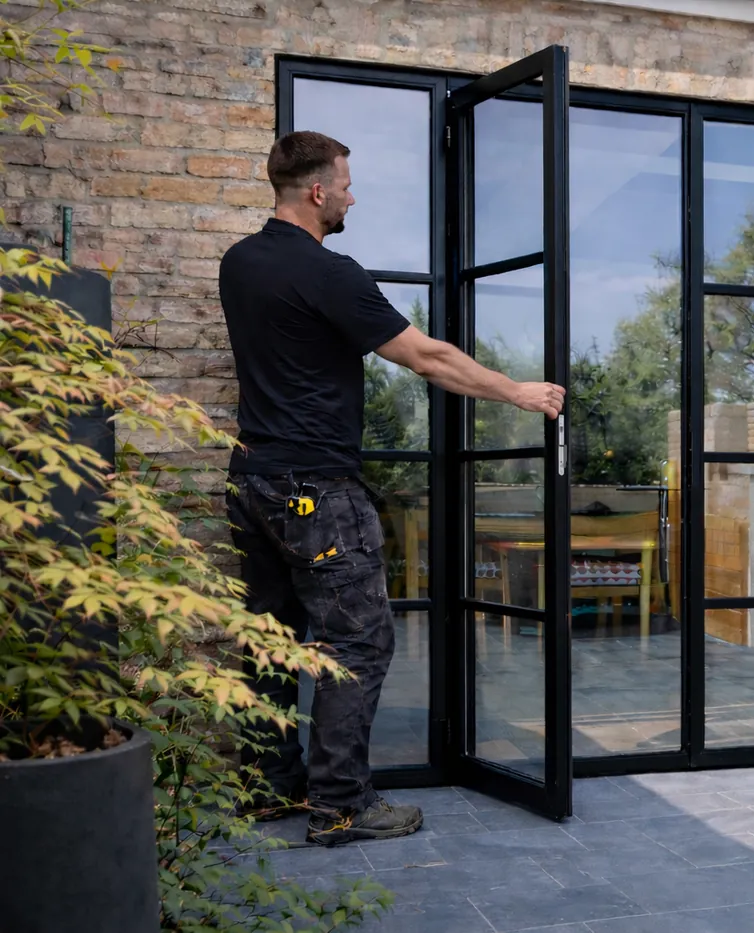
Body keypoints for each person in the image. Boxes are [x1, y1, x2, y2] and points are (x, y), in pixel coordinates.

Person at [219, 130, 564, 846]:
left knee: (270, 640)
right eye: (345, 183)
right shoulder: (330, 272)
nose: (352, 194)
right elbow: (428, 357)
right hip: (314, 488)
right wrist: (519, 392)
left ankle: (264, 786)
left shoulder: (239, 263)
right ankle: (341, 803)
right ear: (317, 192)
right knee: (360, 639)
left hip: (250, 481)